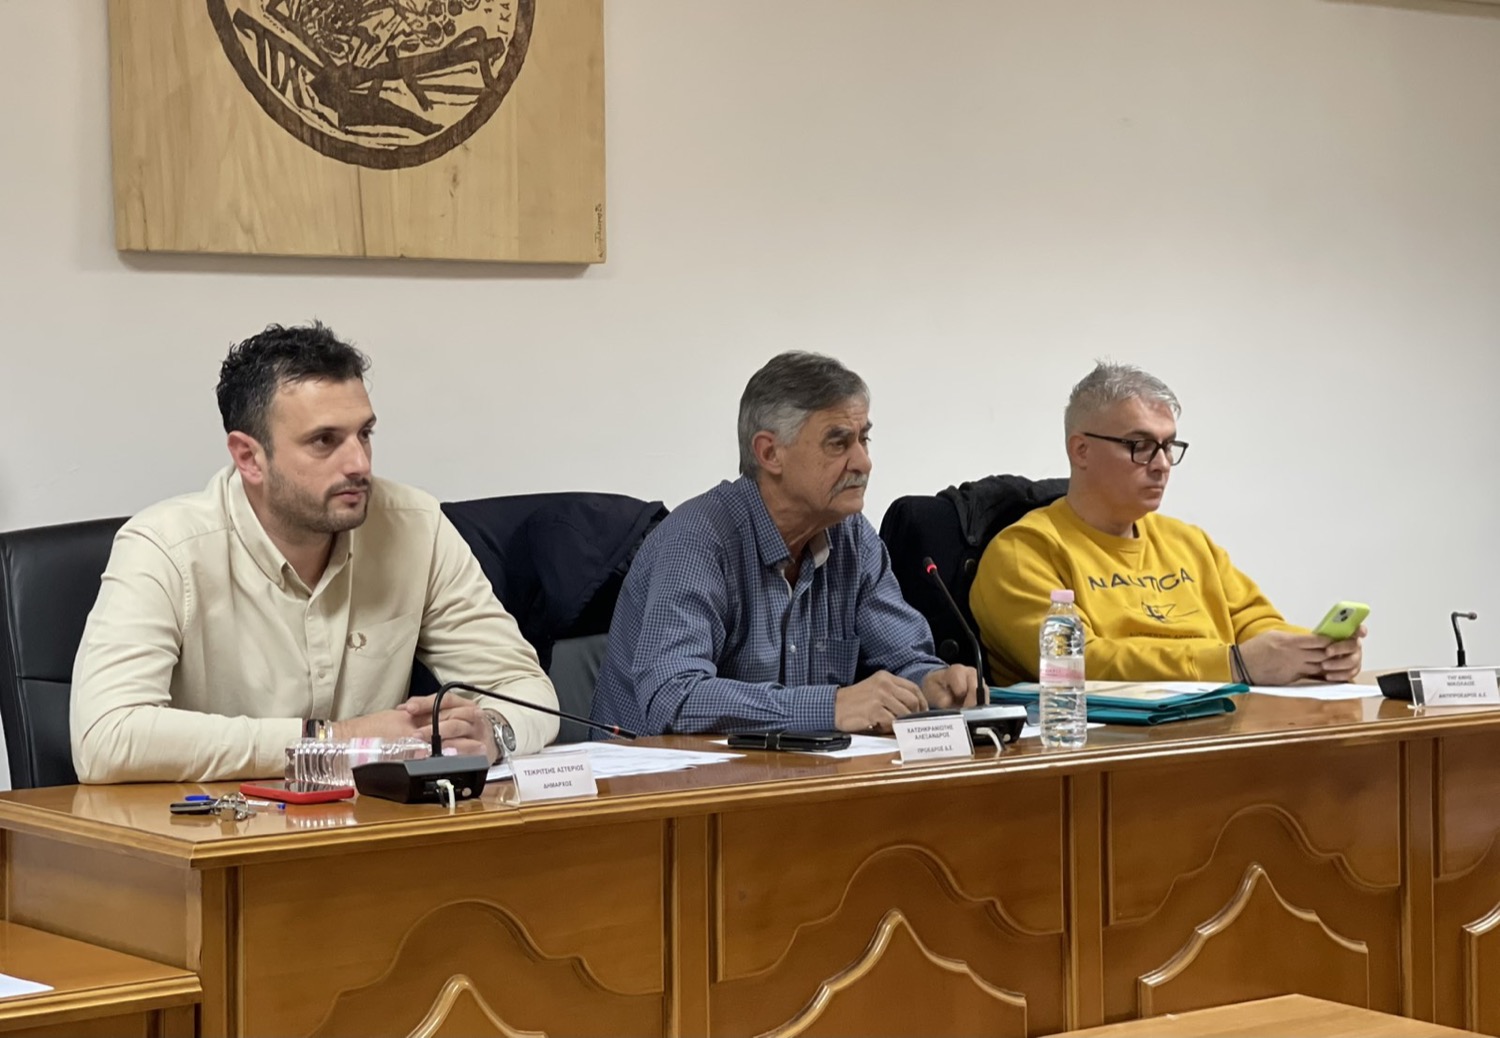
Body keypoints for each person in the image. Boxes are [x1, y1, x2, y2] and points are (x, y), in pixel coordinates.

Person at [71, 322, 558, 783]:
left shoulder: (416, 526)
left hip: (371, 825)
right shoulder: (164, 549)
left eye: (364, 434)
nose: (359, 463)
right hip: (213, 829)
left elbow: (525, 689)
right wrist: (337, 740)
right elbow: (105, 737)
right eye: (325, 441)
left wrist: (492, 732)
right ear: (249, 457)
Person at [591, 351, 978, 736]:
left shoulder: (853, 538)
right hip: (661, 771)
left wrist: (931, 685)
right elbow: (673, 698)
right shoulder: (697, 541)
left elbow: (903, 659)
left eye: (864, 439)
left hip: (795, 769)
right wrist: (831, 707)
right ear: (769, 453)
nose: (863, 462)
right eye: (838, 443)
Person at [969, 362, 1366, 686]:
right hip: (1103, 743)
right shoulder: (1024, 553)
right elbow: (1082, 661)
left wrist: (1316, 653)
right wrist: (1231, 665)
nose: (1161, 464)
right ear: (1081, 450)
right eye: (1140, 446)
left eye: (1168, 445)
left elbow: (1255, 623)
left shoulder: (1189, 543)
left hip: (1223, 727)